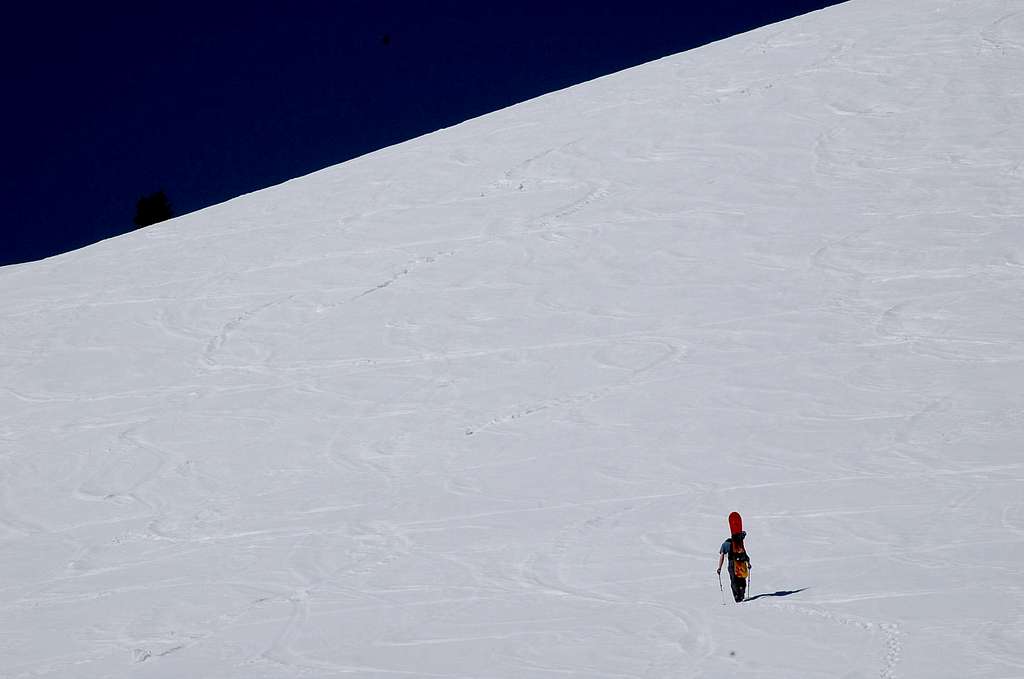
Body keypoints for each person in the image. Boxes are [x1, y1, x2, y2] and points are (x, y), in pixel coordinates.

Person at [717, 530, 751, 602]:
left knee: (734, 580)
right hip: (741, 563)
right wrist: (748, 563)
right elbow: (745, 555)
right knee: (741, 580)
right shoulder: (740, 544)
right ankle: (741, 594)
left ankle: (737, 596)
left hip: (732, 564)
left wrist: (719, 568)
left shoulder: (726, 544)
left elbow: (722, 555)